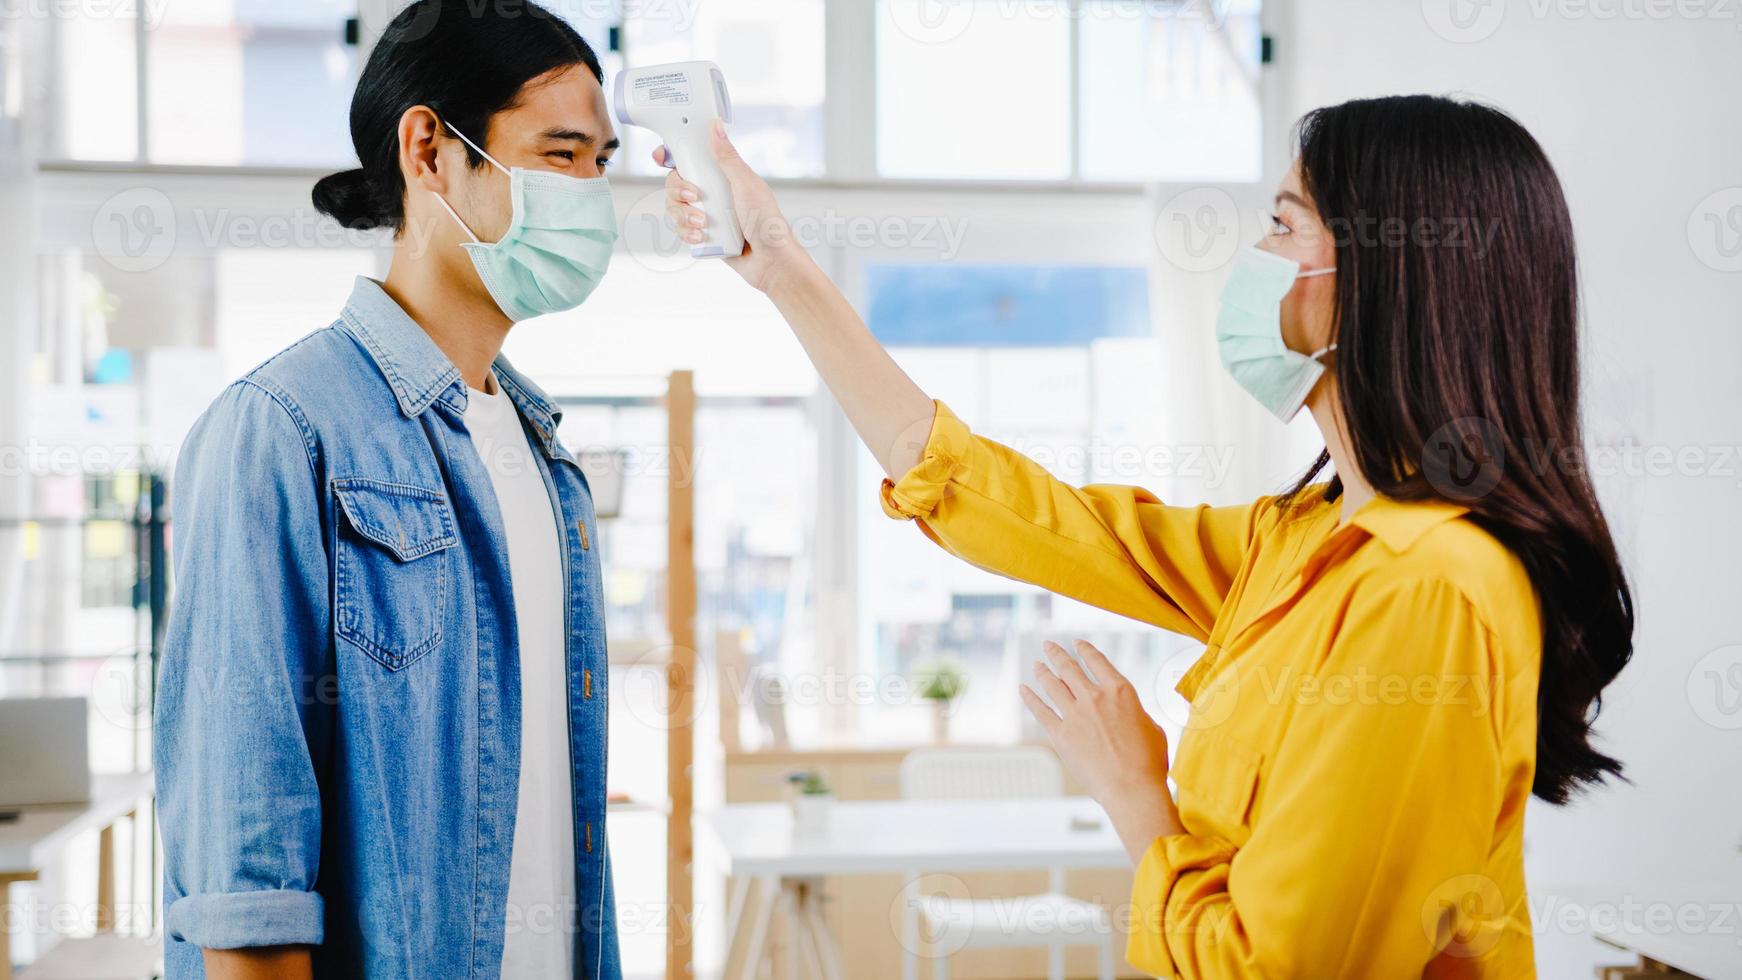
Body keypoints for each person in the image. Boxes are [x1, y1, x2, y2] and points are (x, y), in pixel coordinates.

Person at [663, 95, 1633, 976]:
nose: (1251, 256)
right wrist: (784, 270)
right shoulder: (1297, 540)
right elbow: (1011, 509)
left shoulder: (1427, 589)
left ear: (1381, 273)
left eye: (1281, 223)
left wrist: (1134, 790)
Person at [154, 2, 623, 977]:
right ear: (429, 150)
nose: (590, 195)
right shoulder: (283, 426)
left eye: (600, 165)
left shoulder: (546, 455)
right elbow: (247, 877)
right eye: (560, 154)